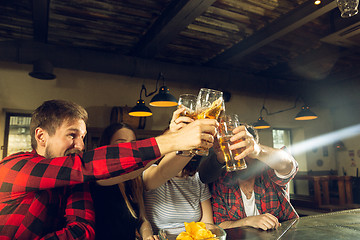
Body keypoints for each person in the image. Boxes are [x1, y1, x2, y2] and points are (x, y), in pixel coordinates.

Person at [0, 99, 218, 239]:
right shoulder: (14, 167)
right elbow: (88, 165)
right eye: (72, 135)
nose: (80, 145)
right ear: (41, 136)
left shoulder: (77, 183)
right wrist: (171, 140)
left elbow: (82, 230)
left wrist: (182, 143)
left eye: (83, 137)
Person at [198, 123, 299, 231]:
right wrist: (248, 221)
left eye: (244, 151)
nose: (239, 158)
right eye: (235, 152)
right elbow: (220, 224)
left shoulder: (269, 170)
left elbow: (289, 164)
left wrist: (259, 150)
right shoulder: (223, 180)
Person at [143, 108, 214, 234]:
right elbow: (162, 172)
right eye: (173, 143)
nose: (178, 146)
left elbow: (208, 224)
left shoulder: (196, 178)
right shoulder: (150, 172)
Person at [90, 123, 157, 240]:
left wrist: (147, 236)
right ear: (106, 147)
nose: (129, 149)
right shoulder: (98, 177)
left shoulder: (133, 182)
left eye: (132, 144)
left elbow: (142, 220)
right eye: (121, 144)